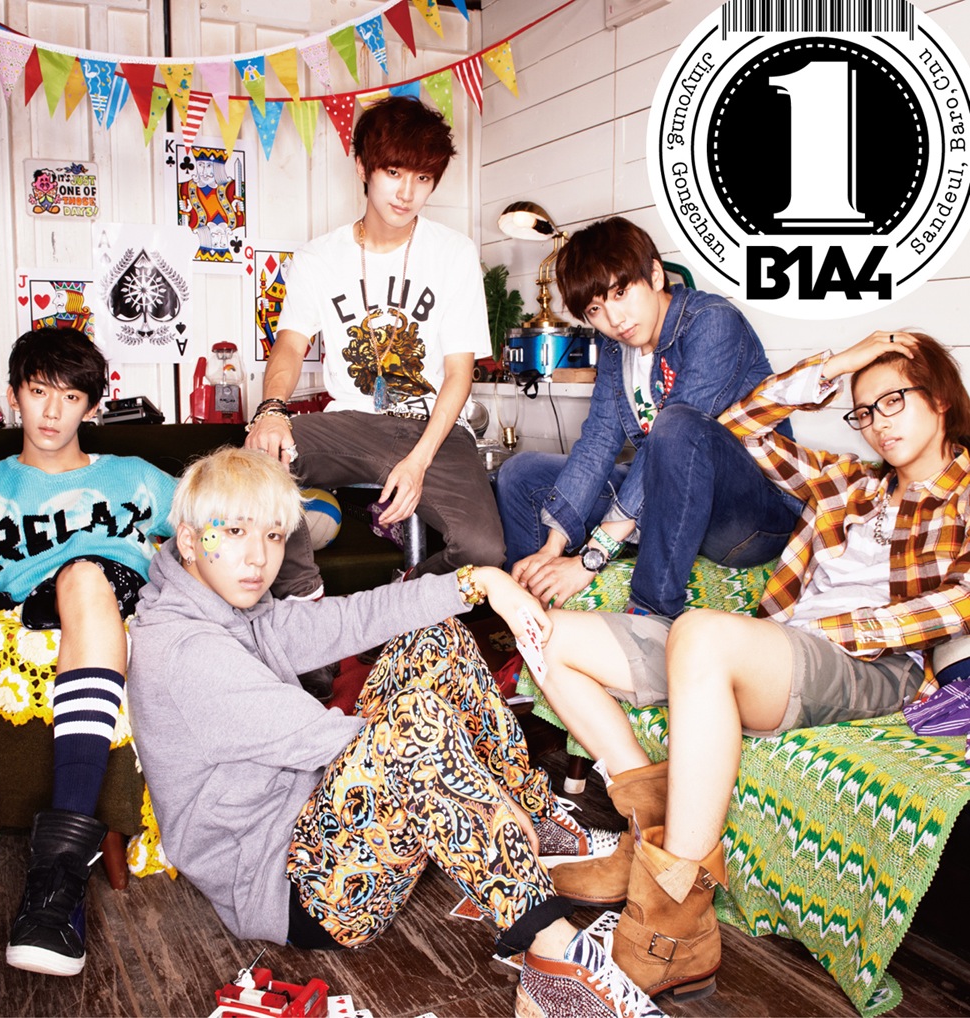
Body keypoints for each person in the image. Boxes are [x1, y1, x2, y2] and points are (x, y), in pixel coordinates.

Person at [126, 447, 665, 1018]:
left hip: (317, 818)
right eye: (234, 532)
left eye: (273, 536)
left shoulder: (233, 611)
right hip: (298, 890)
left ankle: (536, 832)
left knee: (434, 641)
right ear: (189, 541)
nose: (258, 557)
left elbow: (357, 616)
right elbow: (330, 738)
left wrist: (480, 582)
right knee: (413, 726)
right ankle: (549, 953)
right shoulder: (185, 652)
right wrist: (485, 795)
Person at [533, 330, 970, 1002]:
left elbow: (960, 600)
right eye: (864, 410)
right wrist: (838, 366)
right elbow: (737, 427)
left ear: (939, 398)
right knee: (547, 635)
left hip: (872, 663)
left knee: (702, 634)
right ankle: (653, 836)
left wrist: (832, 631)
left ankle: (675, 926)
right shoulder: (850, 484)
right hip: (773, 648)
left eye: (894, 401)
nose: (878, 424)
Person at [0, 328, 176, 977]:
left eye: (70, 397)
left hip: (100, 599)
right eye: (39, 391)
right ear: (13, 395)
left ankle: (58, 873)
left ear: (90, 407)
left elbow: (219, 513)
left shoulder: (133, 477)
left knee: (84, 576)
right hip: (5, 603)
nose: (51, 411)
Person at [243, 96, 504, 595]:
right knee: (260, 455)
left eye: (423, 178)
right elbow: (290, 346)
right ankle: (305, 599)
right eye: (394, 172)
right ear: (363, 167)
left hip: (436, 429)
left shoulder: (453, 253)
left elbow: (459, 373)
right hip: (354, 425)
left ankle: (401, 596)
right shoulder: (318, 258)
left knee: (484, 552)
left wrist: (419, 461)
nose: (407, 193)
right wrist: (272, 410)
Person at [497, 217, 803, 619]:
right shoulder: (615, 350)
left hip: (751, 517)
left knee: (675, 425)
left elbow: (676, 441)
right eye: (596, 309)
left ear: (655, 275)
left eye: (621, 293)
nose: (615, 320)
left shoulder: (712, 322)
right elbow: (598, 443)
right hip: (667, 497)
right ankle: (528, 613)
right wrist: (553, 548)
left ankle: (650, 612)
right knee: (521, 474)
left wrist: (591, 557)